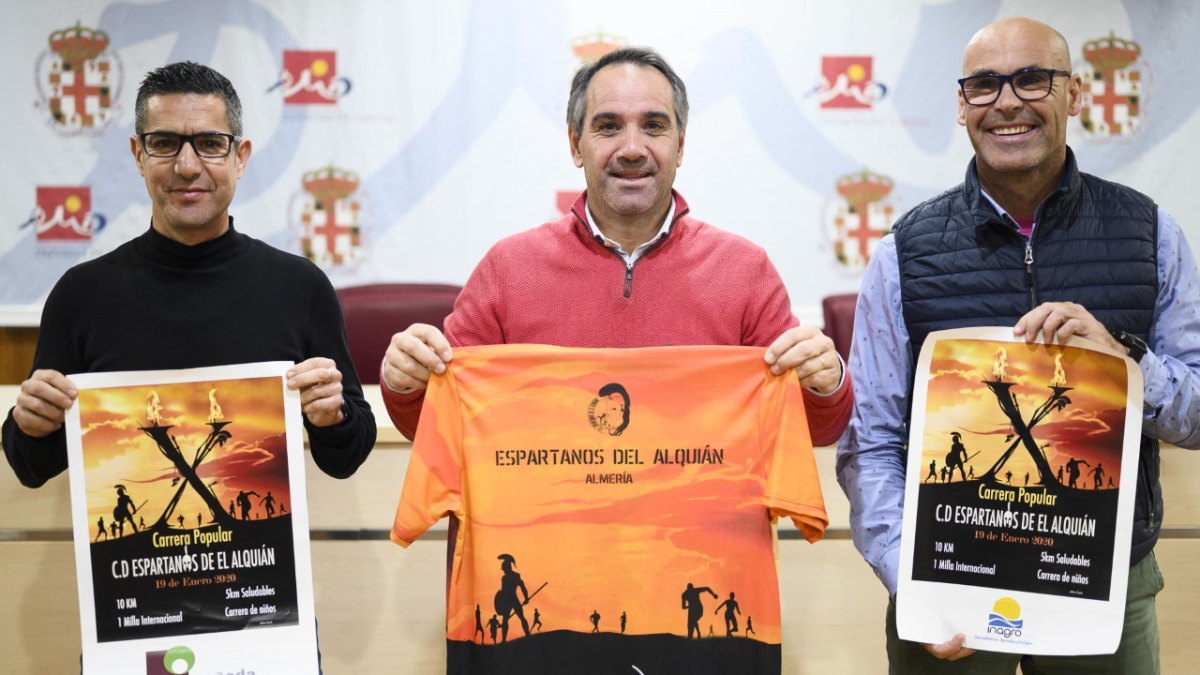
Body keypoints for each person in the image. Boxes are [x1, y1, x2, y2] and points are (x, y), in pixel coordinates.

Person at [837, 17, 1200, 673]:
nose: (1007, 102)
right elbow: (871, 438)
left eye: (1032, 79)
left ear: (1076, 93)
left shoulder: (1152, 234)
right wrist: (908, 574)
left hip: (1105, 584)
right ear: (961, 105)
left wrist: (1130, 370)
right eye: (984, 84)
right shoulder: (903, 254)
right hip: (948, 584)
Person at [380, 46, 851, 447]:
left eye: (653, 126)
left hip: (693, 550)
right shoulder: (507, 268)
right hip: (546, 547)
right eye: (608, 126)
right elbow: (432, 424)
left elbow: (814, 429)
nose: (631, 148)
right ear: (575, 145)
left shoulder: (744, 270)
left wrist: (826, 385)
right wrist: (405, 383)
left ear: (680, 145)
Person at [2, 61, 376, 490]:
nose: (186, 166)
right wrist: (30, 424)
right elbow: (32, 468)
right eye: (164, 143)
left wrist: (334, 416)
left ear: (240, 157)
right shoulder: (81, 294)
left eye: (209, 143)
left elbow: (347, 457)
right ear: (138, 155)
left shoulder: (301, 287)